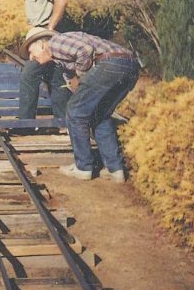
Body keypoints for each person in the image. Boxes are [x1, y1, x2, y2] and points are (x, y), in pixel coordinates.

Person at [19, 28, 140, 183]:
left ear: (41, 45)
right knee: (100, 115)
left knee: (74, 111)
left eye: (31, 51)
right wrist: (76, 84)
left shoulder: (55, 43)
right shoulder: (59, 60)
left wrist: (82, 76)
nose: (31, 57)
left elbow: (85, 50)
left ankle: (83, 167)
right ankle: (115, 169)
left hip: (110, 63)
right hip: (129, 66)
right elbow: (71, 79)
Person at [0, 0, 69, 119]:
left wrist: (49, 30)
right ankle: (63, 121)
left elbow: (61, 0)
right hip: (40, 34)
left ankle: (25, 123)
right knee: (55, 77)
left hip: (44, 36)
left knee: (29, 75)